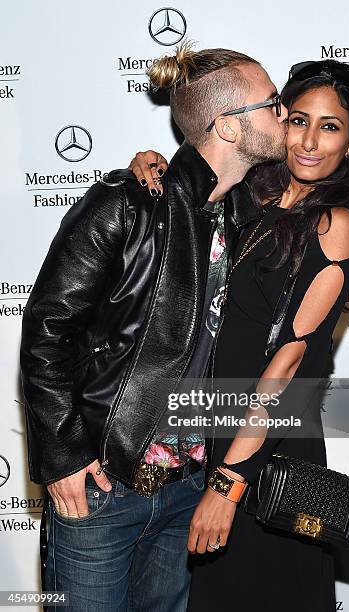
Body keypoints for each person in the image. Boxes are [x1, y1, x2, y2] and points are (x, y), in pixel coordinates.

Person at [20, 43, 288, 612]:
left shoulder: (247, 221)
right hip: (104, 489)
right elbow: (48, 331)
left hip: (189, 490)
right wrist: (64, 456)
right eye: (273, 104)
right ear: (229, 127)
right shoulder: (128, 204)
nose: (285, 115)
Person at [130, 59, 349, 611]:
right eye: (297, 119)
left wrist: (229, 484)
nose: (309, 140)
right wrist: (153, 167)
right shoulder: (253, 201)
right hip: (214, 440)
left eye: (331, 126)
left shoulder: (335, 225)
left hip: (268, 456)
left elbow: (286, 365)